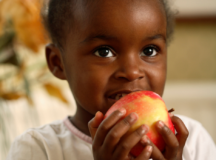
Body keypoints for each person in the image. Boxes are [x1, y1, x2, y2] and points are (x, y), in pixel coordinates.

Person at [7, 0, 216, 159]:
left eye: (149, 50)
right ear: (57, 63)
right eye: (104, 51)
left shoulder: (191, 142)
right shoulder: (38, 148)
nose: (132, 72)